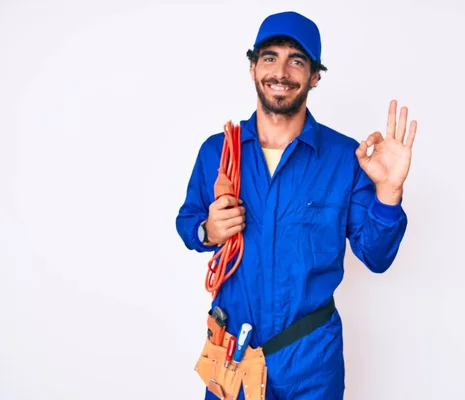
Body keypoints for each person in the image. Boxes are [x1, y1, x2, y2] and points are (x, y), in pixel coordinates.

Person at [176, 10, 417, 400]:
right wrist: (208, 230)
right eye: (270, 57)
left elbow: (376, 256)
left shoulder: (343, 158)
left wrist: (389, 192)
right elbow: (188, 223)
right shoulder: (218, 151)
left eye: (297, 60)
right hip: (233, 354)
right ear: (253, 67)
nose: (281, 71)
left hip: (311, 361)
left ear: (315, 76)